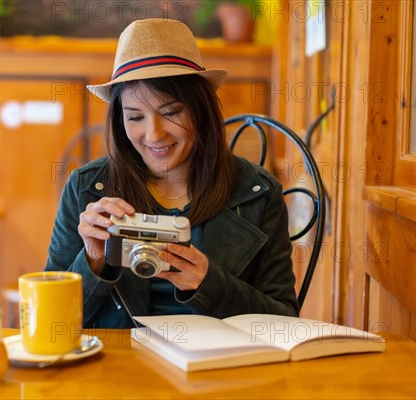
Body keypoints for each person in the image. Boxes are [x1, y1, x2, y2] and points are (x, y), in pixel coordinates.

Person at [45, 18, 298, 328]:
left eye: (171, 112)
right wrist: (93, 261)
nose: (154, 134)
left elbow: (285, 322)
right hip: (117, 370)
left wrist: (209, 284)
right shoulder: (87, 190)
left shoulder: (257, 192)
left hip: (218, 370)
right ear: (119, 122)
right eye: (135, 117)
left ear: (201, 109)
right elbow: (51, 321)